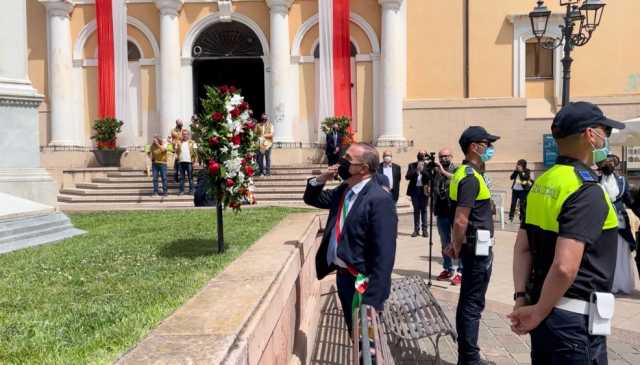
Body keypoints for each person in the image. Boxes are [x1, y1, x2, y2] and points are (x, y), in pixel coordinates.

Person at [509, 101, 625, 365]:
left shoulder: (542, 182)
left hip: (546, 313)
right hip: (574, 322)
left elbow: (522, 247)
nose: (606, 138)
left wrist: (521, 299)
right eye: (604, 130)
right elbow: (564, 266)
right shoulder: (587, 190)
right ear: (589, 135)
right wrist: (537, 311)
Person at [303, 142, 397, 333]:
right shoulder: (343, 190)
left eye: (348, 159)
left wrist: (374, 299)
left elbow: (384, 255)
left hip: (362, 283)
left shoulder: (379, 199)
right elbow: (313, 199)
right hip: (343, 278)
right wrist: (321, 178)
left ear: (363, 168)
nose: (341, 162)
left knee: (367, 341)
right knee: (354, 333)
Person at [446, 126, 500, 365]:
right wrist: (455, 246)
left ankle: (467, 356)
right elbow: (460, 218)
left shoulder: (469, 173)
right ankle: (469, 358)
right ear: (474, 147)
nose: (490, 148)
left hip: (477, 246)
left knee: (470, 301)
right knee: (472, 303)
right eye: (486, 144)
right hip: (476, 248)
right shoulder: (469, 177)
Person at [598, 154, 639, 294]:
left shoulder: (622, 180)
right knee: (604, 253)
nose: (609, 164)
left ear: (615, 166)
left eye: (612, 162)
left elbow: (629, 201)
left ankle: (620, 283)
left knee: (620, 252)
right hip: (601, 222)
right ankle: (605, 283)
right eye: (607, 162)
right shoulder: (596, 180)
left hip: (620, 223)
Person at [433, 148, 462, 286]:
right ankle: (448, 269)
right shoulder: (436, 170)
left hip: (454, 211)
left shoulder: (457, 169)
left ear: (451, 156)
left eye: (445, 156)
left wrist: (443, 171)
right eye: (441, 156)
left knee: (458, 242)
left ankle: (461, 272)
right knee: (445, 242)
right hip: (441, 211)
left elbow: (457, 179)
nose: (443, 159)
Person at [406, 151, 431, 237]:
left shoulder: (428, 166)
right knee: (416, 210)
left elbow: (429, 177)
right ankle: (416, 230)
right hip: (414, 190)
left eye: (423, 155)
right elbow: (407, 177)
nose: (421, 156)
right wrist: (416, 170)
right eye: (420, 154)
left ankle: (425, 230)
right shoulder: (412, 165)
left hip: (424, 190)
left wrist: (422, 170)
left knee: (424, 210)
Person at [176, 129, 197, 195]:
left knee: (190, 177)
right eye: (183, 134)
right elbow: (176, 151)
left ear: (188, 135)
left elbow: (195, 153)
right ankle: (181, 191)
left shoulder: (193, 142)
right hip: (181, 162)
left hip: (189, 162)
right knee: (181, 178)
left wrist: (195, 162)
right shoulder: (179, 143)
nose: (184, 135)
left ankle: (191, 190)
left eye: (186, 134)